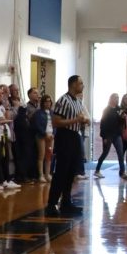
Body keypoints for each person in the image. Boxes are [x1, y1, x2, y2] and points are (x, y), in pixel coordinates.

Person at [46, 76, 89, 216]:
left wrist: (83, 122)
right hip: (65, 136)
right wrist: (76, 120)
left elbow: (76, 120)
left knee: (71, 172)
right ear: (73, 84)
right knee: (61, 172)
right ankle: (51, 204)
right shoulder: (63, 100)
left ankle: (66, 202)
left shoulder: (77, 101)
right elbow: (56, 122)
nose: (83, 85)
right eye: (80, 83)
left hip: (75, 135)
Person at [94, 92, 125, 179]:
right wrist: (104, 137)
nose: (117, 99)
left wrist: (122, 118)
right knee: (105, 153)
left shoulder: (119, 109)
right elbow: (103, 124)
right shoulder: (106, 110)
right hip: (108, 135)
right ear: (111, 99)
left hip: (117, 135)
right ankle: (97, 170)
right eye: (115, 97)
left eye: (118, 97)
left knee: (120, 153)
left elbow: (121, 122)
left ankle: (122, 172)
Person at [32, 94, 54, 182]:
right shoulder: (38, 113)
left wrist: (53, 134)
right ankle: (41, 175)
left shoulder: (52, 113)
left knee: (49, 155)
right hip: (41, 136)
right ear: (43, 103)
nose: (48, 103)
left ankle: (47, 174)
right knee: (42, 155)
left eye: (49, 101)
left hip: (51, 136)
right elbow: (37, 125)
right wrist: (45, 134)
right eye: (46, 101)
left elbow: (55, 124)